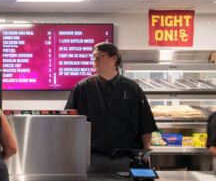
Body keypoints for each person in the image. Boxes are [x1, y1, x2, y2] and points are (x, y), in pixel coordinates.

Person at [64, 42, 157, 172]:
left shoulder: (132, 89)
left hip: (126, 160)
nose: (95, 60)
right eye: (94, 57)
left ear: (114, 58)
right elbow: (69, 122)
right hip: (90, 159)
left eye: (100, 56)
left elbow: (145, 124)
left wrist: (146, 153)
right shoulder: (82, 88)